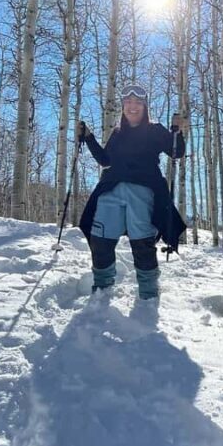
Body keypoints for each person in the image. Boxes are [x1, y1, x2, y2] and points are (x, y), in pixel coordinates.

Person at [77, 84, 187, 302]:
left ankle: (148, 293)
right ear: (123, 106)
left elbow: (176, 152)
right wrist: (88, 137)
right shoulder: (118, 133)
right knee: (100, 239)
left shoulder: (155, 129)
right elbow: (105, 160)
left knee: (142, 242)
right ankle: (102, 289)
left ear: (145, 106)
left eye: (138, 102)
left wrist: (178, 131)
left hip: (143, 191)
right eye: (128, 102)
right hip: (111, 188)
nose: (132, 106)